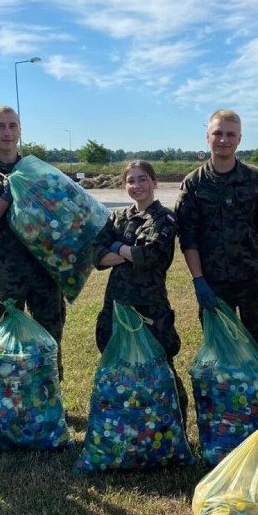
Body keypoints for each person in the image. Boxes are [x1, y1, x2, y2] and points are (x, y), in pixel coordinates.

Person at [175, 109, 258, 413]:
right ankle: (227, 420)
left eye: (230, 134)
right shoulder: (194, 184)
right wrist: (199, 280)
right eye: (218, 133)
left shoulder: (254, 178)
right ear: (208, 136)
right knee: (221, 354)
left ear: (239, 138)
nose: (223, 139)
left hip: (253, 281)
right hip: (213, 286)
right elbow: (189, 239)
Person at [0, 105, 66, 379]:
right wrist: (5, 197)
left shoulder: (36, 170)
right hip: (5, 269)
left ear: (20, 130)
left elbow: (60, 213)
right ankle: (4, 401)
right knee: (2, 336)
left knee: (50, 334)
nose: (7, 132)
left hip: (43, 267)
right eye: (0, 126)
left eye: (12, 126)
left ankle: (50, 402)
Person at [92, 160, 188, 423]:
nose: (137, 185)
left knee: (159, 365)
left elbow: (149, 255)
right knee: (118, 368)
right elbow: (96, 255)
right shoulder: (117, 218)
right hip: (118, 304)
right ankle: (129, 424)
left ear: (154, 183)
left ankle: (171, 425)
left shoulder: (164, 217)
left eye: (143, 179)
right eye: (131, 180)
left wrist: (118, 248)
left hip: (150, 306)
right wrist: (129, 253)